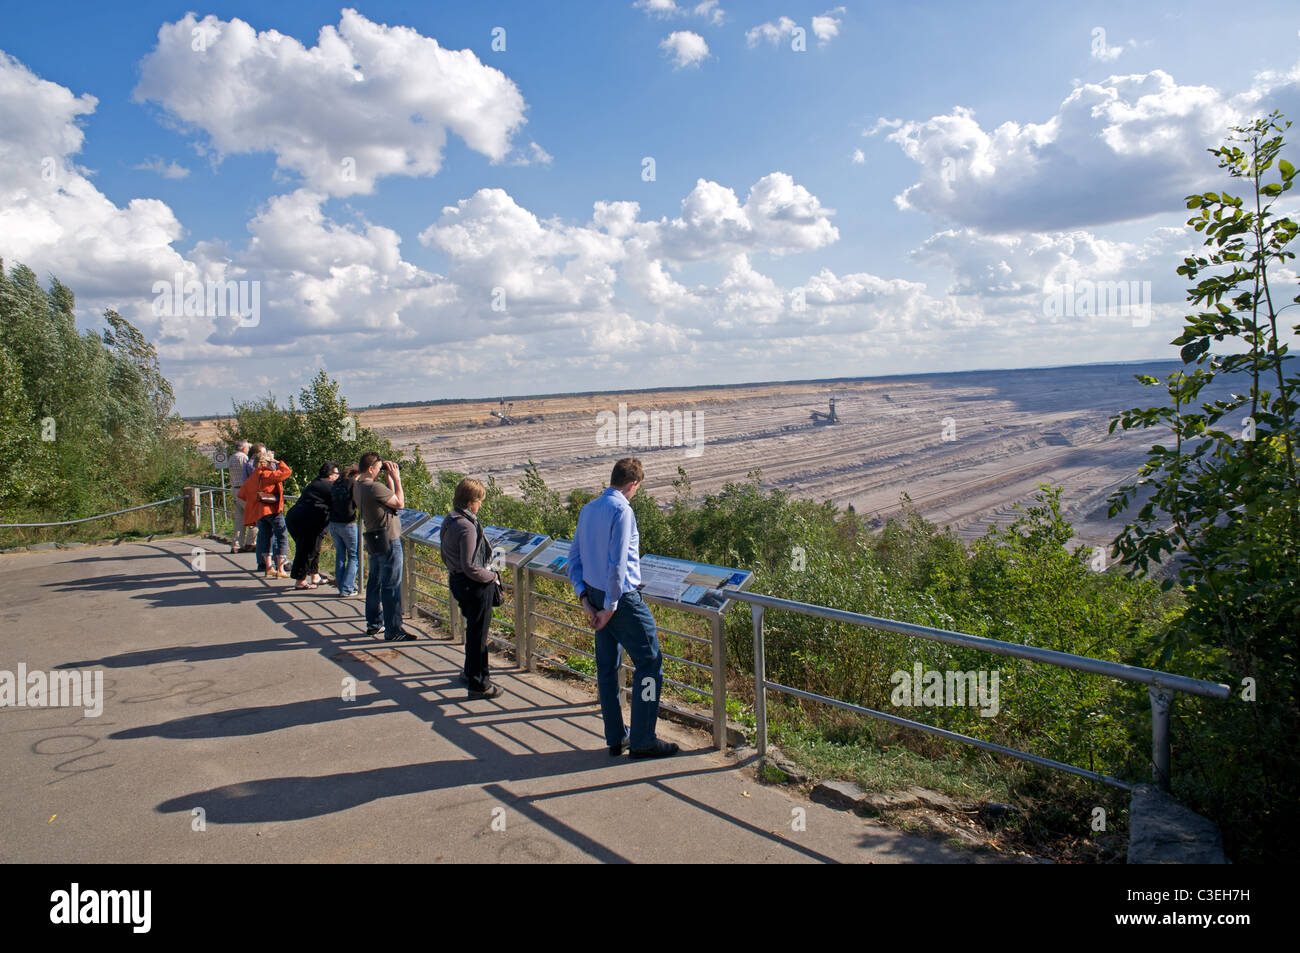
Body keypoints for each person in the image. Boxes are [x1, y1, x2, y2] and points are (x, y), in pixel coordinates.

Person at [568, 457, 678, 758]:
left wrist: (586, 602)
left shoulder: (588, 509)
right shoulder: (622, 511)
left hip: (594, 595)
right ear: (633, 484)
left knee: (607, 669)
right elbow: (617, 566)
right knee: (650, 663)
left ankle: (616, 737)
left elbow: (573, 559)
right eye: (637, 488)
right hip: (622, 601)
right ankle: (643, 739)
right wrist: (611, 607)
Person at [440, 478, 502, 700]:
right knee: (479, 636)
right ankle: (479, 684)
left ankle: (469, 673)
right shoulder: (467, 526)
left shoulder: (451, 519)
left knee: (473, 631)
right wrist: (492, 576)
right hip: (474, 587)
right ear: (471, 501)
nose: (480, 505)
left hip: (457, 581)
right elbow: (470, 566)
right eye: (479, 500)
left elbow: (449, 556)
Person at [353, 452, 411, 641]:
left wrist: (388, 481)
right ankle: (394, 630)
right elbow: (399, 503)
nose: (381, 471)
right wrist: (397, 479)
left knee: (375, 582)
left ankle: (374, 623)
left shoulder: (358, 486)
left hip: (374, 538)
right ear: (371, 469)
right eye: (379, 468)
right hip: (389, 539)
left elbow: (389, 502)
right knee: (391, 585)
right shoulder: (374, 487)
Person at [237, 450, 292, 578]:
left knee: (266, 538)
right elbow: (287, 472)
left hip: (259, 512)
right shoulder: (269, 474)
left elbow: (242, 494)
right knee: (281, 536)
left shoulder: (253, 477)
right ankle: (281, 568)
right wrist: (278, 462)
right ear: (267, 462)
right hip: (272, 510)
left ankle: (268, 567)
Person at [285, 462, 337, 590]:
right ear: (330, 475)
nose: (338, 476)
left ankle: (315, 575)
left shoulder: (316, 482)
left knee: (313, 548)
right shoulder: (328, 486)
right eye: (337, 473)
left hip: (297, 518)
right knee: (307, 550)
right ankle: (300, 580)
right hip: (308, 522)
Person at [329, 464, 362, 598]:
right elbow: (358, 502)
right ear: (356, 474)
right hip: (348, 524)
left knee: (340, 555)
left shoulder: (336, 483)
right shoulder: (353, 483)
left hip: (334, 523)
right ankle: (347, 588)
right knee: (354, 556)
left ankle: (341, 585)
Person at [229, 440, 251, 554]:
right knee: (253, 516)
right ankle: (251, 542)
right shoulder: (244, 458)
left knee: (239, 519)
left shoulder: (232, 457)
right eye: (247, 447)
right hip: (243, 489)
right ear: (243, 448)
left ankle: (236, 544)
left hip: (234, 489)